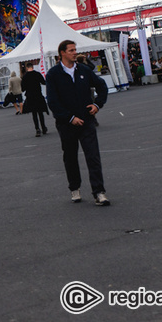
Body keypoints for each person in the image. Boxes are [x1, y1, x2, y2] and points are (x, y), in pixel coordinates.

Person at [46, 40, 110, 206]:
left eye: (75, 50)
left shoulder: (84, 70)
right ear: (62, 53)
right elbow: (52, 101)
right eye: (71, 50)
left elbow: (102, 86)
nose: (75, 52)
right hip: (66, 124)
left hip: (87, 121)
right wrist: (69, 117)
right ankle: (74, 188)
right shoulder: (53, 74)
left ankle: (99, 192)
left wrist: (97, 104)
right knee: (70, 157)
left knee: (93, 156)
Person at [21, 62, 49, 137]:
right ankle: (43, 127)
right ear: (32, 67)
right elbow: (43, 82)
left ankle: (37, 129)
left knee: (34, 114)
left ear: (27, 68)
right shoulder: (37, 74)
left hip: (30, 97)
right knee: (40, 113)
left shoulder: (25, 76)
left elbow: (23, 89)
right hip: (38, 95)